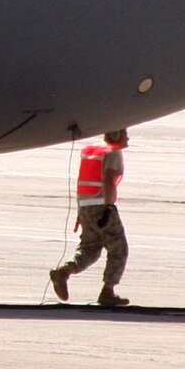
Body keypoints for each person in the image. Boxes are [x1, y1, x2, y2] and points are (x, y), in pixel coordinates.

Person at [50, 128, 132, 308]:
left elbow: (83, 180)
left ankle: (64, 272)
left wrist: (81, 212)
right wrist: (109, 208)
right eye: (124, 133)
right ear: (116, 135)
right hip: (102, 206)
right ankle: (108, 292)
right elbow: (108, 180)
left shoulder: (91, 150)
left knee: (90, 249)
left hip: (86, 206)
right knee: (118, 249)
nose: (127, 137)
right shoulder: (113, 152)